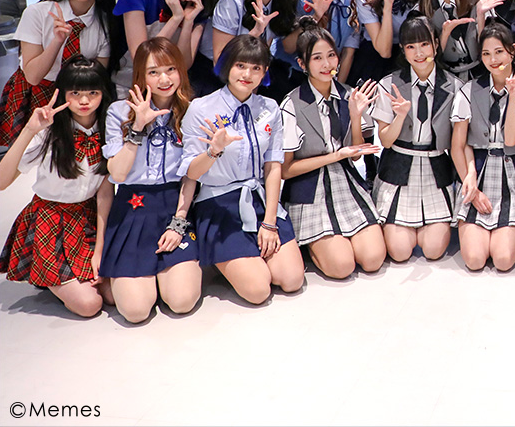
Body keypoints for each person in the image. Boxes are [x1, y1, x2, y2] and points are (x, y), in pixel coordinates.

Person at [181, 34, 305, 304]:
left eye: (256, 68)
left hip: (258, 198)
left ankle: (246, 255)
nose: (247, 74)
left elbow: (273, 167)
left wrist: (269, 223)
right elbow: (191, 172)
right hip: (219, 204)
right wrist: (213, 151)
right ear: (227, 65)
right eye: (240, 65)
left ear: (264, 72)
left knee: (292, 279)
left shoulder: (269, 108)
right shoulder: (201, 108)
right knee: (258, 291)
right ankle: (225, 258)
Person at [0, 57, 113, 317]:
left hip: (89, 218)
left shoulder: (109, 130)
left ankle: (67, 277)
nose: (84, 101)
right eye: (76, 93)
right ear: (63, 94)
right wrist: (29, 130)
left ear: (103, 93)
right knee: (89, 305)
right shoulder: (48, 132)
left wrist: (99, 251)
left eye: (92, 93)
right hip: (50, 221)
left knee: (113, 296)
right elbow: (2, 182)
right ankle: (45, 273)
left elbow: (105, 194)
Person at [98, 39, 202, 323]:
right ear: (140, 76)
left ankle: (166, 275)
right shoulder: (119, 112)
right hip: (132, 208)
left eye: (171, 69)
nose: (164, 79)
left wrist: (178, 223)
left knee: (181, 302)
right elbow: (118, 175)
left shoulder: (192, 111)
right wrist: (137, 127)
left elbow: (191, 175)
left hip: (175, 207)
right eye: (153, 72)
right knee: (135, 311)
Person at [280, 18, 385, 279]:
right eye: (317, 58)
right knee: (341, 266)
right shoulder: (291, 104)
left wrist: (356, 116)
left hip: (345, 182)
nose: (327, 64)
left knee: (373, 259)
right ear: (302, 64)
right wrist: (335, 156)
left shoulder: (349, 95)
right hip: (308, 187)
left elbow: (356, 154)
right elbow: (286, 170)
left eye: (331, 55)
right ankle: (311, 245)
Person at [0, 0, 113, 145]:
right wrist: (57, 41)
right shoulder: (37, 13)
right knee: (28, 157)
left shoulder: (106, 23)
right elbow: (33, 77)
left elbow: (97, 79)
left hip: (80, 99)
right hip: (36, 94)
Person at [450, 23, 515, 272]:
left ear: (512, 50)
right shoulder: (469, 90)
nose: (493, 59)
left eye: (499, 51)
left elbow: (511, 138)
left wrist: (513, 96)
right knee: (474, 260)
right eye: (486, 54)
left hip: (514, 177)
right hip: (478, 174)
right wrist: (471, 182)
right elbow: (458, 145)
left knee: (503, 260)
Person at [372, 16, 460, 263]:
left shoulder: (454, 86)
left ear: (435, 45)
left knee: (433, 250)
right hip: (398, 168)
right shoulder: (389, 84)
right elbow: (385, 141)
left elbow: (459, 143)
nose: (419, 53)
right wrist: (400, 116)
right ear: (403, 50)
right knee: (399, 252)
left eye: (424, 44)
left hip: (436, 169)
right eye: (411, 46)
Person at [111, 0, 214, 97]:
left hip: (170, 90)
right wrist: (175, 19)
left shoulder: (198, 5)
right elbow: (141, 59)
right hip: (129, 88)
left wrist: (188, 22)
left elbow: (184, 64)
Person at [207, 0, 303, 101]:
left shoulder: (279, 2)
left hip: (253, 82)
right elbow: (220, 62)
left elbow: (263, 57)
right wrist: (254, 34)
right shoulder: (232, 3)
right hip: (218, 82)